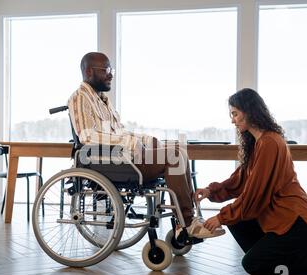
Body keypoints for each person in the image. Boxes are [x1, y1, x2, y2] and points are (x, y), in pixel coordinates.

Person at [67, 52, 225, 239]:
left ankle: (188, 220)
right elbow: (87, 136)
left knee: (177, 149)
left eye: (112, 70)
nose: (111, 74)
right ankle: (188, 223)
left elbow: (118, 132)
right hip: (112, 162)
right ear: (89, 71)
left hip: (123, 158)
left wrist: (145, 140)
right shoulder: (80, 98)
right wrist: (134, 143)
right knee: (173, 155)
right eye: (106, 70)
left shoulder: (102, 100)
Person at [194, 88, 307, 275]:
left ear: (249, 111)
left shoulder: (270, 142)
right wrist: (210, 191)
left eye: (235, 114)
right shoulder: (259, 142)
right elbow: (241, 179)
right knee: (238, 224)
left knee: (251, 264)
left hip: (295, 220)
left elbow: (254, 193)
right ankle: (282, 253)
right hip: (277, 217)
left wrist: (221, 217)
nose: (233, 120)